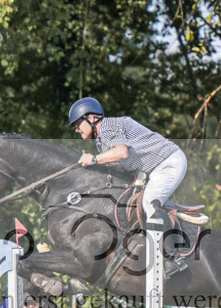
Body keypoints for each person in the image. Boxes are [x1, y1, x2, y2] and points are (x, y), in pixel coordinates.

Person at [69, 96, 189, 274]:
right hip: (155, 169)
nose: (77, 129)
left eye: (78, 123)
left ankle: (173, 259)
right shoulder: (101, 140)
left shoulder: (108, 127)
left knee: (149, 202)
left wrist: (93, 159)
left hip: (169, 163)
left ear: (92, 118)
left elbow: (122, 152)